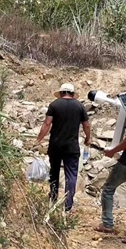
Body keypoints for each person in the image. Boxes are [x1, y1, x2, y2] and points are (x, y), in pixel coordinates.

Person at [36, 83, 90, 212]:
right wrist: (88, 138)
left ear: (61, 93)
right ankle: (68, 205)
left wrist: (39, 139)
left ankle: (53, 197)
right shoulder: (79, 106)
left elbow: (47, 123)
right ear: (72, 94)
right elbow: (86, 125)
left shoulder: (54, 105)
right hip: (71, 147)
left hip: (55, 145)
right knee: (71, 175)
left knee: (54, 172)